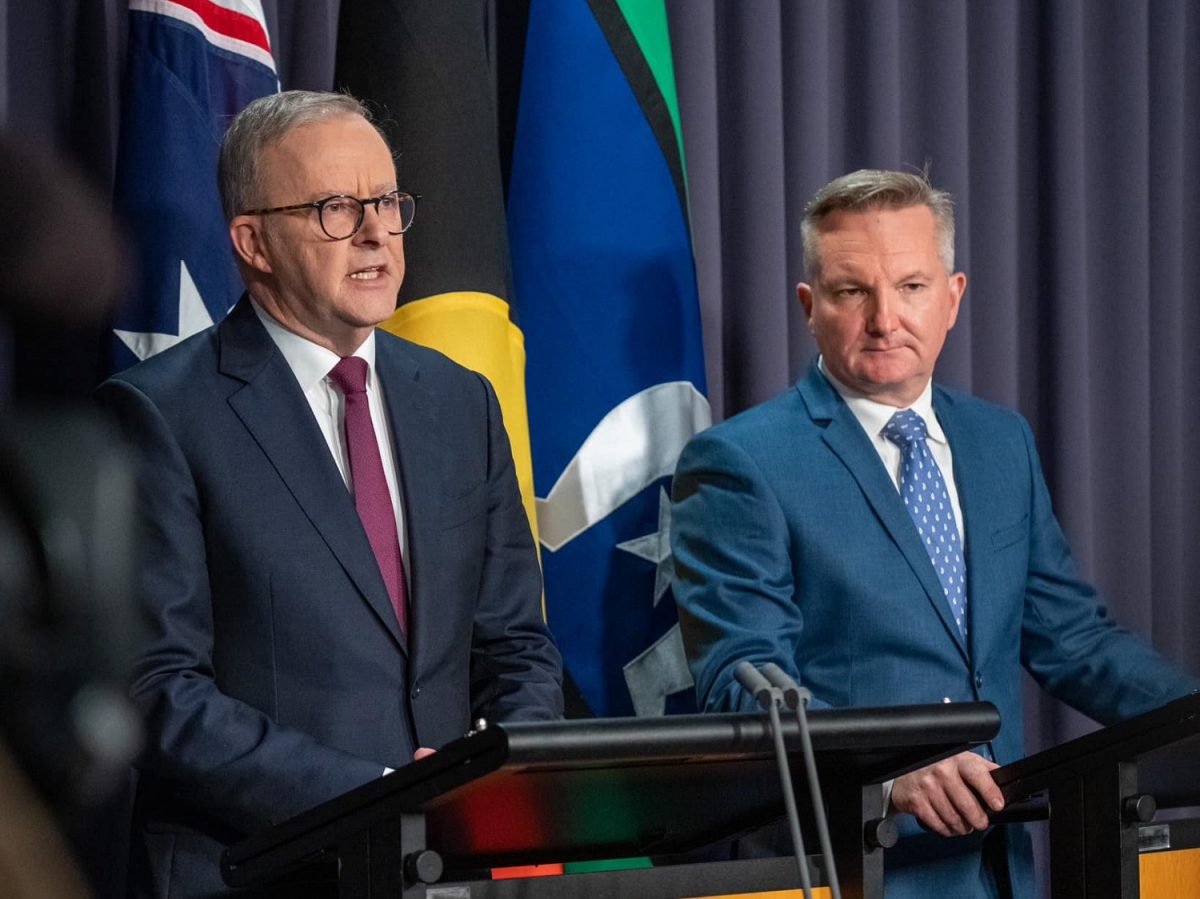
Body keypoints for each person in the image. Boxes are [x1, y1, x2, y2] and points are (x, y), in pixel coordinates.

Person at [670, 169, 1199, 898]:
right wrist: (889, 773)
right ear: (809, 306)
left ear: (952, 297)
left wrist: (1194, 714)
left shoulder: (999, 441)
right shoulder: (741, 462)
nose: (885, 318)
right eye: (852, 290)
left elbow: (1076, 640)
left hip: (1003, 869)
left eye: (911, 287)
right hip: (850, 870)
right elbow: (744, 681)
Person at [97, 91, 563, 899]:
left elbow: (516, 643)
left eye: (386, 201)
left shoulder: (461, 402)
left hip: (449, 872)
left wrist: (494, 784)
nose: (377, 233)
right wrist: (380, 795)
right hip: (256, 871)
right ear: (254, 241)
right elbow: (157, 688)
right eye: (335, 208)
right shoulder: (160, 414)